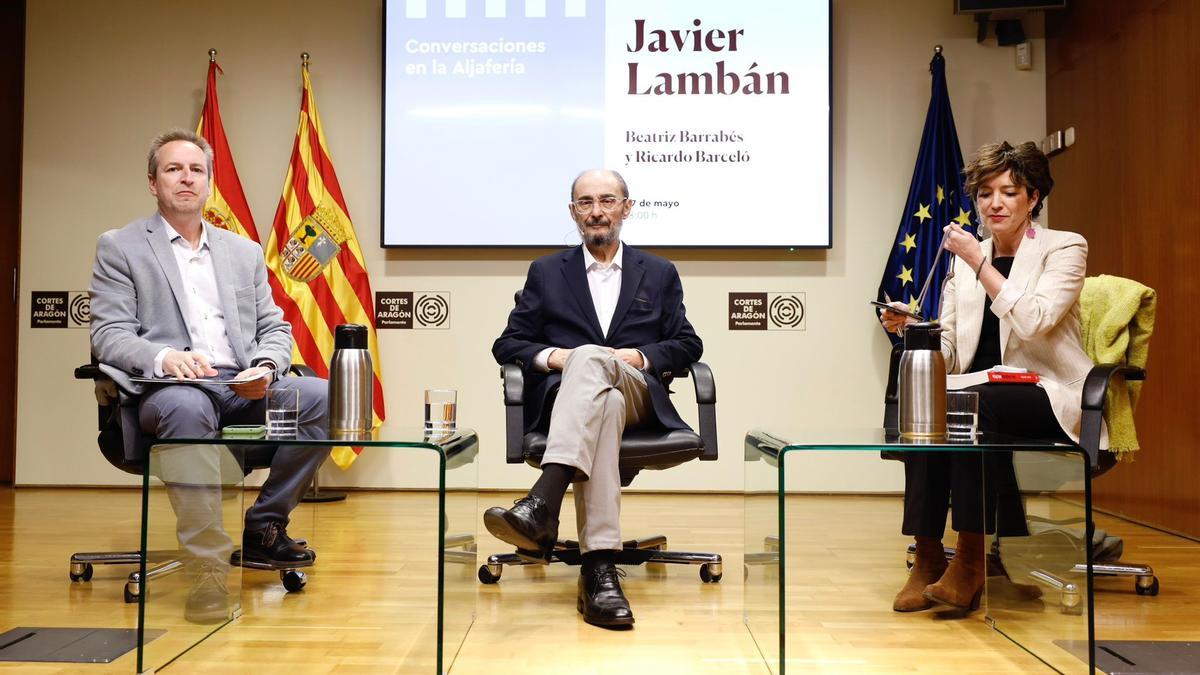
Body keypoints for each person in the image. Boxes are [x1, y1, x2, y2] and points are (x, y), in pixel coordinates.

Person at [89, 129, 329, 622]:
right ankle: (207, 568)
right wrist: (164, 358)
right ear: (153, 182)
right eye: (174, 169)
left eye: (196, 170)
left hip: (238, 384)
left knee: (324, 397)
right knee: (187, 405)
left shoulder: (241, 251)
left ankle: (264, 526)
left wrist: (265, 367)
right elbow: (109, 334)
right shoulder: (121, 246)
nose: (186, 178)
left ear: (208, 184)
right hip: (169, 389)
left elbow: (274, 327)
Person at [880, 141, 1101, 612]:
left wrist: (980, 265)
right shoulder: (966, 258)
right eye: (985, 194)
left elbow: (1034, 320)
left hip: (1047, 392)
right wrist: (915, 332)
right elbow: (951, 347)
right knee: (922, 388)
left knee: (966, 405)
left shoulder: (1064, 247)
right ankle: (927, 557)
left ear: (1033, 198)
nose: (994, 203)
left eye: (1009, 192)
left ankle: (971, 561)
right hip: (980, 392)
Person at [485, 169, 703, 628]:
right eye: (585, 202)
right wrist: (558, 357)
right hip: (581, 400)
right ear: (573, 212)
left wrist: (638, 357)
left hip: (640, 394)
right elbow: (508, 344)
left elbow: (688, 343)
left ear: (627, 207)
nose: (596, 210)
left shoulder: (659, 273)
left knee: (601, 369)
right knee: (600, 394)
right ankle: (599, 568)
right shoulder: (547, 272)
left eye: (607, 200)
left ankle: (545, 499)